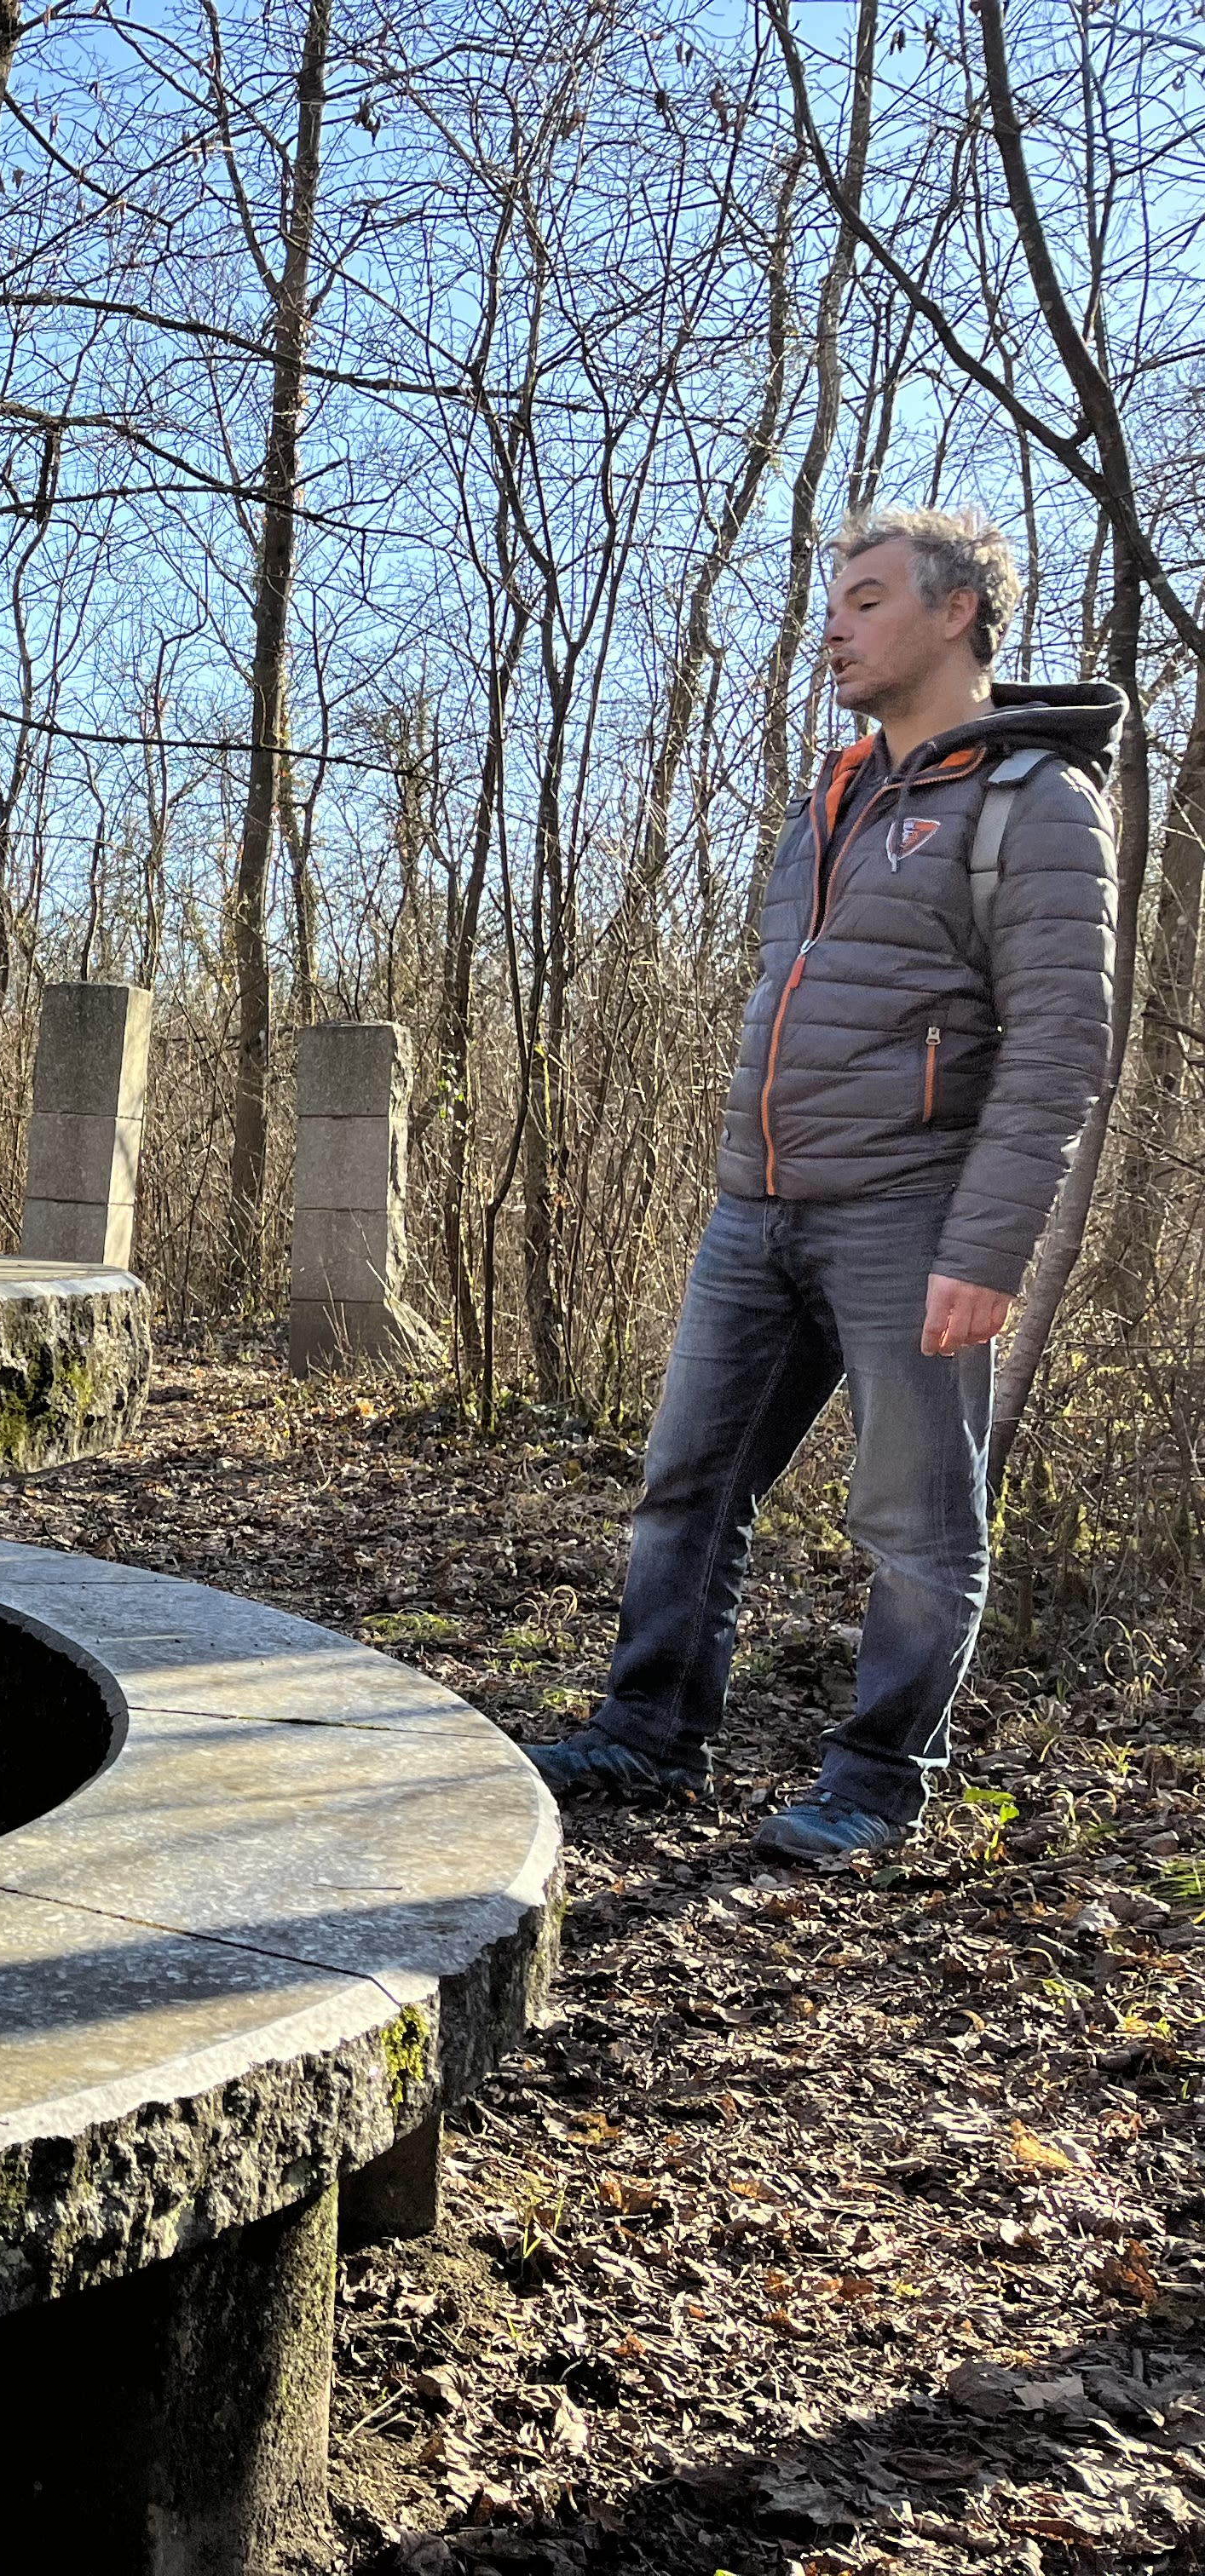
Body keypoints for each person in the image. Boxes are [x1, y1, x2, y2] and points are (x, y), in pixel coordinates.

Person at [528, 504, 1120, 1864]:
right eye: (831, 601)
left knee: (915, 1524)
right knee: (686, 1484)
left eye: (863, 600)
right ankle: (650, 1733)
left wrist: (989, 1247)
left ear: (957, 611)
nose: (831, 625)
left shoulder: (1035, 804)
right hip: (759, 1209)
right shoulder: (833, 796)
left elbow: (1061, 1049)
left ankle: (876, 1778)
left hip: (913, 1215)